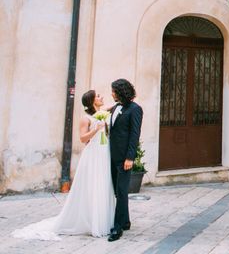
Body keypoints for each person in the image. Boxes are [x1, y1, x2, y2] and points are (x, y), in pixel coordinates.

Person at [12, 90, 116, 240]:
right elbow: (82, 139)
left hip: (103, 154)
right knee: (91, 185)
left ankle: (103, 219)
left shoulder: (102, 113)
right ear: (92, 101)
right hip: (92, 154)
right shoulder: (85, 119)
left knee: (102, 184)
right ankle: (90, 221)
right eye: (98, 96)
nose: (101, 97)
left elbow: (113, 106)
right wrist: (95, 129)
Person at [108, 78, 143, 242]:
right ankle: (126, 221)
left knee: (121, 192)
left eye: (114, 91)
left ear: (121, 91)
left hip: (124, 158)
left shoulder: (135, 109)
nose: (112, 93)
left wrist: (130, 157)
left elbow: (135, 135)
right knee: (118, 191)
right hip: (112, 155)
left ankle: (117, 227)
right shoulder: (115, 107)